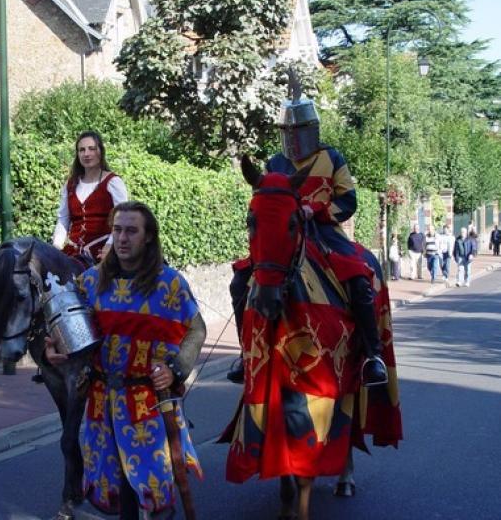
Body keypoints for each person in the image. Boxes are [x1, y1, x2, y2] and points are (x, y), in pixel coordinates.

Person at [46, 201, 206, 519]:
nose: (121, 238)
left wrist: (175, 369)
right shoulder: (90, 283)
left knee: (155, 490)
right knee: (120, 493)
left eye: (131, 231)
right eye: (117, 230)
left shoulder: (169, 284)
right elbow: (61, 333)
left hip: (149, 403)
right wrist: (49, 351)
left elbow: (196, 329)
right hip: (102, 403)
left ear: (148, 237)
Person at [227, 86, 387, 387]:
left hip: (323, 231)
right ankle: (245, 352)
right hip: (286, 235)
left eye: (297, 130)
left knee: (358, 277)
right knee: (240, 282)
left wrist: (316, 210)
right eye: (286, 131)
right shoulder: (275, 163)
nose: (292, 137)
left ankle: (371, 356)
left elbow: (348, 201)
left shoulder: (332, 157)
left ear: (311, 130)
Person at [52, 131, 128, 263]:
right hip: (73, 253)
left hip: (103, 252)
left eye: (91, 149)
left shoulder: (113, 182)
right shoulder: (70, 185)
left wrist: (110, 245)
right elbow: (63, 219)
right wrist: (56, 248)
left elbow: (123, 218)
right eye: (82, 150)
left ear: (100, 152)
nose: (86, 154)